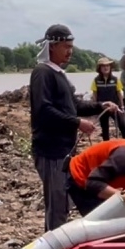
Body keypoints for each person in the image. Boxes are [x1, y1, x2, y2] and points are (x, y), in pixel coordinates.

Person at [28, 24, 102, 232]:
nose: (70, 51)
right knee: (57, 203)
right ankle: (54, 244)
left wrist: (100, 106)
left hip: (64, 149)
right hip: (51, 150)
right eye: (66, 47)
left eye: (71, 46)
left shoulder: (58, 73)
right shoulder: (43, 72)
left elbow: (74, 106)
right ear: (52, 46)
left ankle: (59, 241)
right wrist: (77, 123)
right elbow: (44, 110)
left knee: (64, 199)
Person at [90, 57, 125, 140]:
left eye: (107, 66)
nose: (106, 68)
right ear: (99, 68)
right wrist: (95, 108)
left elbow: (119, 93)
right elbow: (94, 95)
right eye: (103, 66)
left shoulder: (115, 79)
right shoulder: (96, 80)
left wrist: (122, 107)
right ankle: (107, 145)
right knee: (104, 129)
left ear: (110, 67)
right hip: (103, 108)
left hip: (115, 107)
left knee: (122, 125)